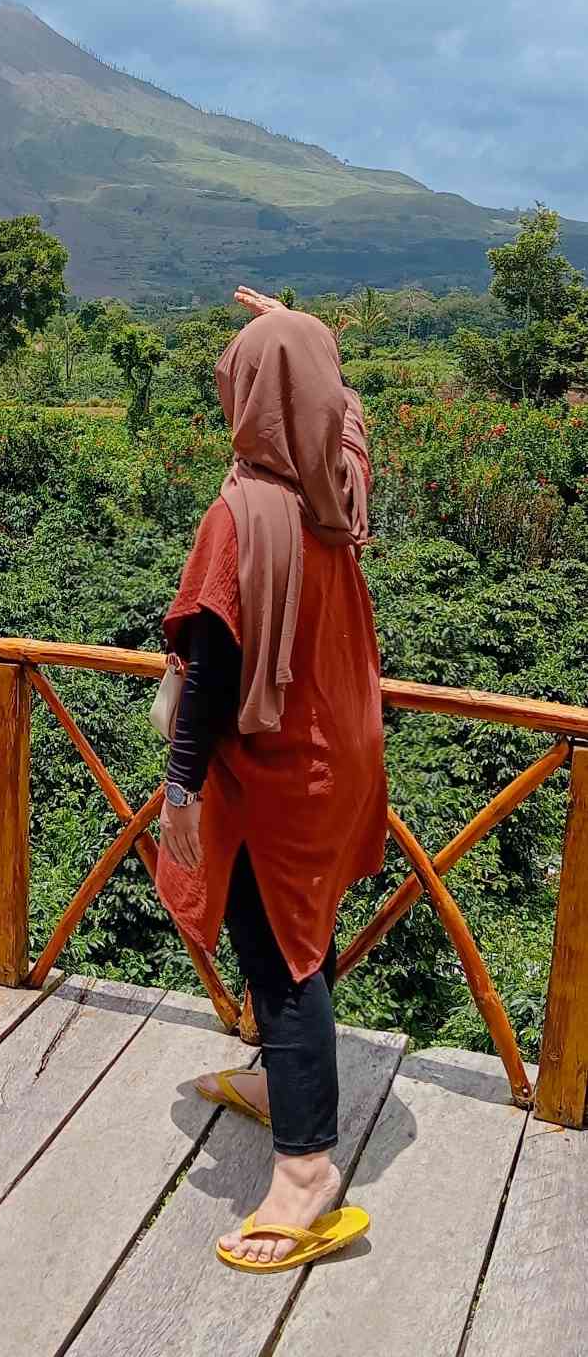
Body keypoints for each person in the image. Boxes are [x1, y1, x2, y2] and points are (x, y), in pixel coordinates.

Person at [156, 286, 387, 1274]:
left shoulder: (240, 514)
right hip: (341, 756)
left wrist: (179, 796)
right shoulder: (336, 485)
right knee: (307, 932)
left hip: (275, 778)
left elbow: (207, 673)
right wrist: (298, 331)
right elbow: (345, 416)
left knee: (280, 960)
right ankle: (283, 1087)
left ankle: (306, 1174)